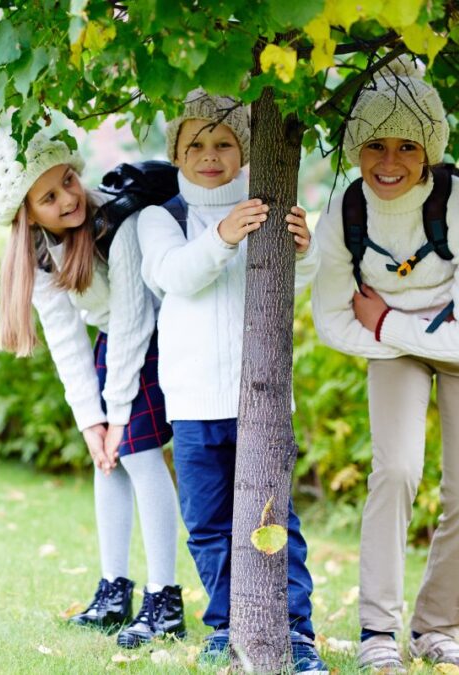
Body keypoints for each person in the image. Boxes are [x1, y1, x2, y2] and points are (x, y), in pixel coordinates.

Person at [312, 58, 459, 672]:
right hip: (394, 353)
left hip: (455, 354)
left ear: (430, 152)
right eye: (374, 145)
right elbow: (332, 320)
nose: (388, 163)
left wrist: (389, 322)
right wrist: (403, 338)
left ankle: (437, 628)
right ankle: (377, 632)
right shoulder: (346, 213)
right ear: (355, 148)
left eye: (406, 146)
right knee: (395, 472)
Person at [137, 89, 327, 672]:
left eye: (224, 142)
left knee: (274, 522)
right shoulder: (160, 218)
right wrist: (222, 236)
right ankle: (226, 624)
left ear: (245, 150)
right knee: (208, 523)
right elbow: (175, 275)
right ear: (177, 152)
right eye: (196, 144)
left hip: (260, 403)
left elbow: (290, 286)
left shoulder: (263, 206)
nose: (210, 154)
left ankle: (296, 632)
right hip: (194, 402)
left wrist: (305, 250)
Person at [0, 129, 183, 648]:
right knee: (107, 460)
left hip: (153, 338)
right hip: (113, 344)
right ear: (27, 215)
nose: (69, 197)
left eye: (68, 180)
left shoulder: (118, 223)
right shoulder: (41, 253)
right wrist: (92, 423)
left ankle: (165, 600)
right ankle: (114, 589)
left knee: (138, 456)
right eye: (49, 197)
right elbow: (68, 342)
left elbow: (136, 318)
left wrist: (117, 416)